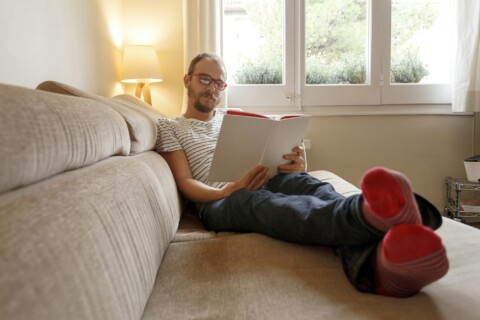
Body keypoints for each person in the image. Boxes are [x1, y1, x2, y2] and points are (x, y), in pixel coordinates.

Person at [156, 52, 449, 298]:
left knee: (308, 184)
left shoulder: (235, 116)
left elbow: (266, 159)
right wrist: (227, 191)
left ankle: (378, 264)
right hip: (220, 201)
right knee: (267, 205)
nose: (212, 88)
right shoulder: (170, 127)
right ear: (188, 80)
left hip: (264, 178)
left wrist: (291, 163)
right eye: (205, 79)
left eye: (219, 83)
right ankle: (364, 216)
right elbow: (185, 183)